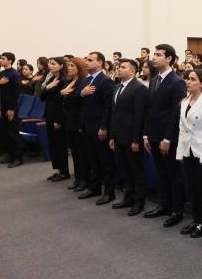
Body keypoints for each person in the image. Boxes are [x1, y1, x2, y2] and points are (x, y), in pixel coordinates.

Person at [143, 44, 187, 226]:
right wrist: (146, 134)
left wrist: (167, 138)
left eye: (158, 55)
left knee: (174, 174)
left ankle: (177, 210)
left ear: (169, 58)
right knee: (161, 172)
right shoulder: (155, 80)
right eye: (154, 54)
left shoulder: (177, 82)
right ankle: (164, 204)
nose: (154, 57)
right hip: (153, 134)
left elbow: (176, 114)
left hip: (168, 137)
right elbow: (149, 110)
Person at [176, 69, 202, 238]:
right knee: (191, 188)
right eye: (187, 79)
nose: (188, 81)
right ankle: (196, 219)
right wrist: (180, 153)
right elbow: (182, 130)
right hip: (188, 150)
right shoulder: (184, 101)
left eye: (192, 79)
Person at [109, 59, 149, 216]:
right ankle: (128, 196)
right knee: (124, 169)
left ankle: (139, 201)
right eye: (118, 67)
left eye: (123, 67)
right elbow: (114, 113)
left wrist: (136, 140)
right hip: (119, 135)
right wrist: (112, 135)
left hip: (132, 137)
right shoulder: (117, 87)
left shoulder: (139, 88)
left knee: (136, 171)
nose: (118, 69)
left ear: (132, 71)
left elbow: (140, 116)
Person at [77, 52, 116, 203]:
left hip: (99, 127)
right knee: (93, 160)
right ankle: (94, 188)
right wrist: (82, 93)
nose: (86, 62)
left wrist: (104, 127)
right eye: (86, 60)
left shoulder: (105, 81)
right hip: (87, 126)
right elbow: (76, 100)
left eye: (90, 60)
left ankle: (109, 192)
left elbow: (109, 107)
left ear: (100, 63)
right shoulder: (86, 80)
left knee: (105, 161)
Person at [40, 57, 70, 182]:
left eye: (53, 64)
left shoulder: (64, 80)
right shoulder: (52, 78)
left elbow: (62, 102)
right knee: (52, 144)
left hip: (58, 117)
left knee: (60, 145)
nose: (50, 66)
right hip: (49, 115)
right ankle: (58, 170)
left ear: (61, 66)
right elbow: (41, 97)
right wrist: (48, 87)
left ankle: (64, 171)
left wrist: (58, 120)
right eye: (49, 64)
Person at [62, 57, 89, 191]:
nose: (69, 68)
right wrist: (62, 93)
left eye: (73, 66)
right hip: (69, 120)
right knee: (74, 152)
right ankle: (77, 178)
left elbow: (77, 99)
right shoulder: (69, 81)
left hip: (78, 121)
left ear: (79, 68)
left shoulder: (83, 81)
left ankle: (84, 179)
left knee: (81, 152)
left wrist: (66, 94)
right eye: (68, 66)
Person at [0, 52, 24, 168]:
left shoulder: (14, 74)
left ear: (10, 61)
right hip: (3, 106)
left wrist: (11, 109)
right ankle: (10, 155)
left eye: (3, 58)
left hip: (12, 107)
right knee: (6, 132)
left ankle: (19, 158)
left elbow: (16, 94)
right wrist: (0, 83)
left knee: (13, 133)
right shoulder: (2, 73)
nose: (0, 60)